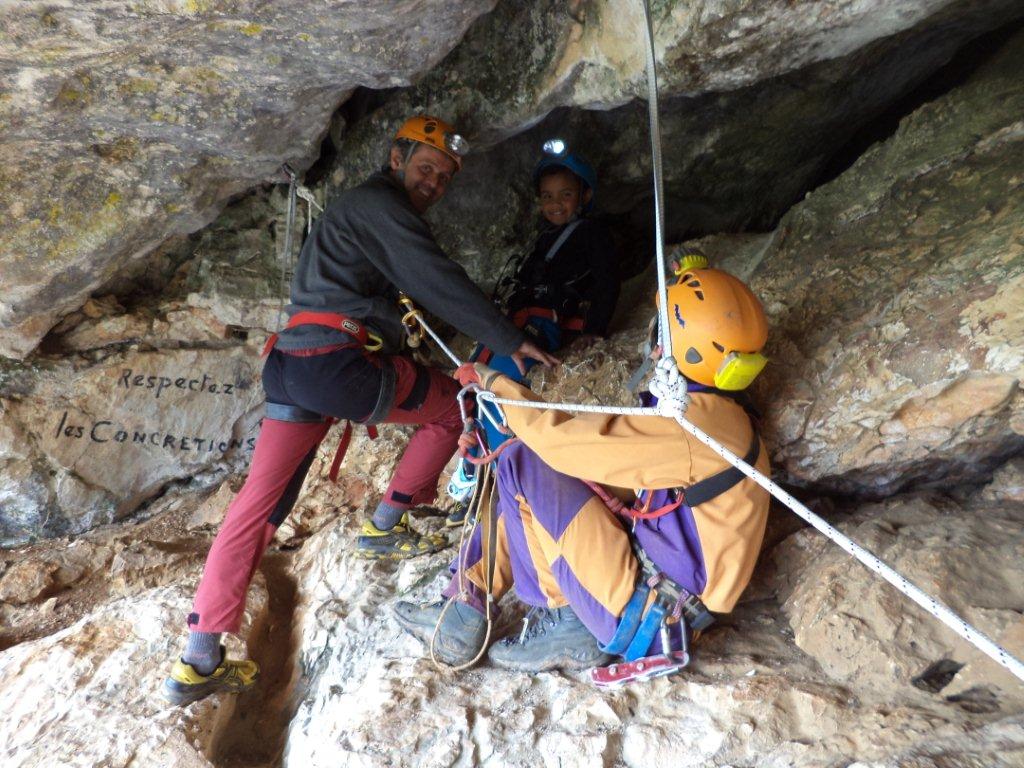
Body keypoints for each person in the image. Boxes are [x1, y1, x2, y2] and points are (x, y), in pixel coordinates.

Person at [162, 115, 557, 706]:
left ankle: (199, 656)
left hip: (295, 364)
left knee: (257, 504)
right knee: (453, 409)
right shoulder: (378, 203)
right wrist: (504, 336)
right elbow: (435, 277)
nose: (434, 182)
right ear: (395, 159)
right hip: (334, 363)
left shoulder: (361, 215)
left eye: (444, 176)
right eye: (426, 167)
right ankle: (386, 525)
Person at [396, 268, 771, 673]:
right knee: (521, 465)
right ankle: (464, 608)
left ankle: (565, 620)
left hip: (649, 613)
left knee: (525, 461)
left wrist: (495, 385)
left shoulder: (691, 428)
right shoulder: (713, 414)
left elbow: (562, 445)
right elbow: (605, 468)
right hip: (655, 593)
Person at [475, 141, 620, 381]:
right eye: (547, 196)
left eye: (566, 194)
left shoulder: (592, 233)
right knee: (472, 375)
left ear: (585, 195)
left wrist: (594, 329)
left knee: (496, 383)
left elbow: (608, 279)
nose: (555, 203)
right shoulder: (544, 238)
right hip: (515, 324)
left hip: (542, 326)